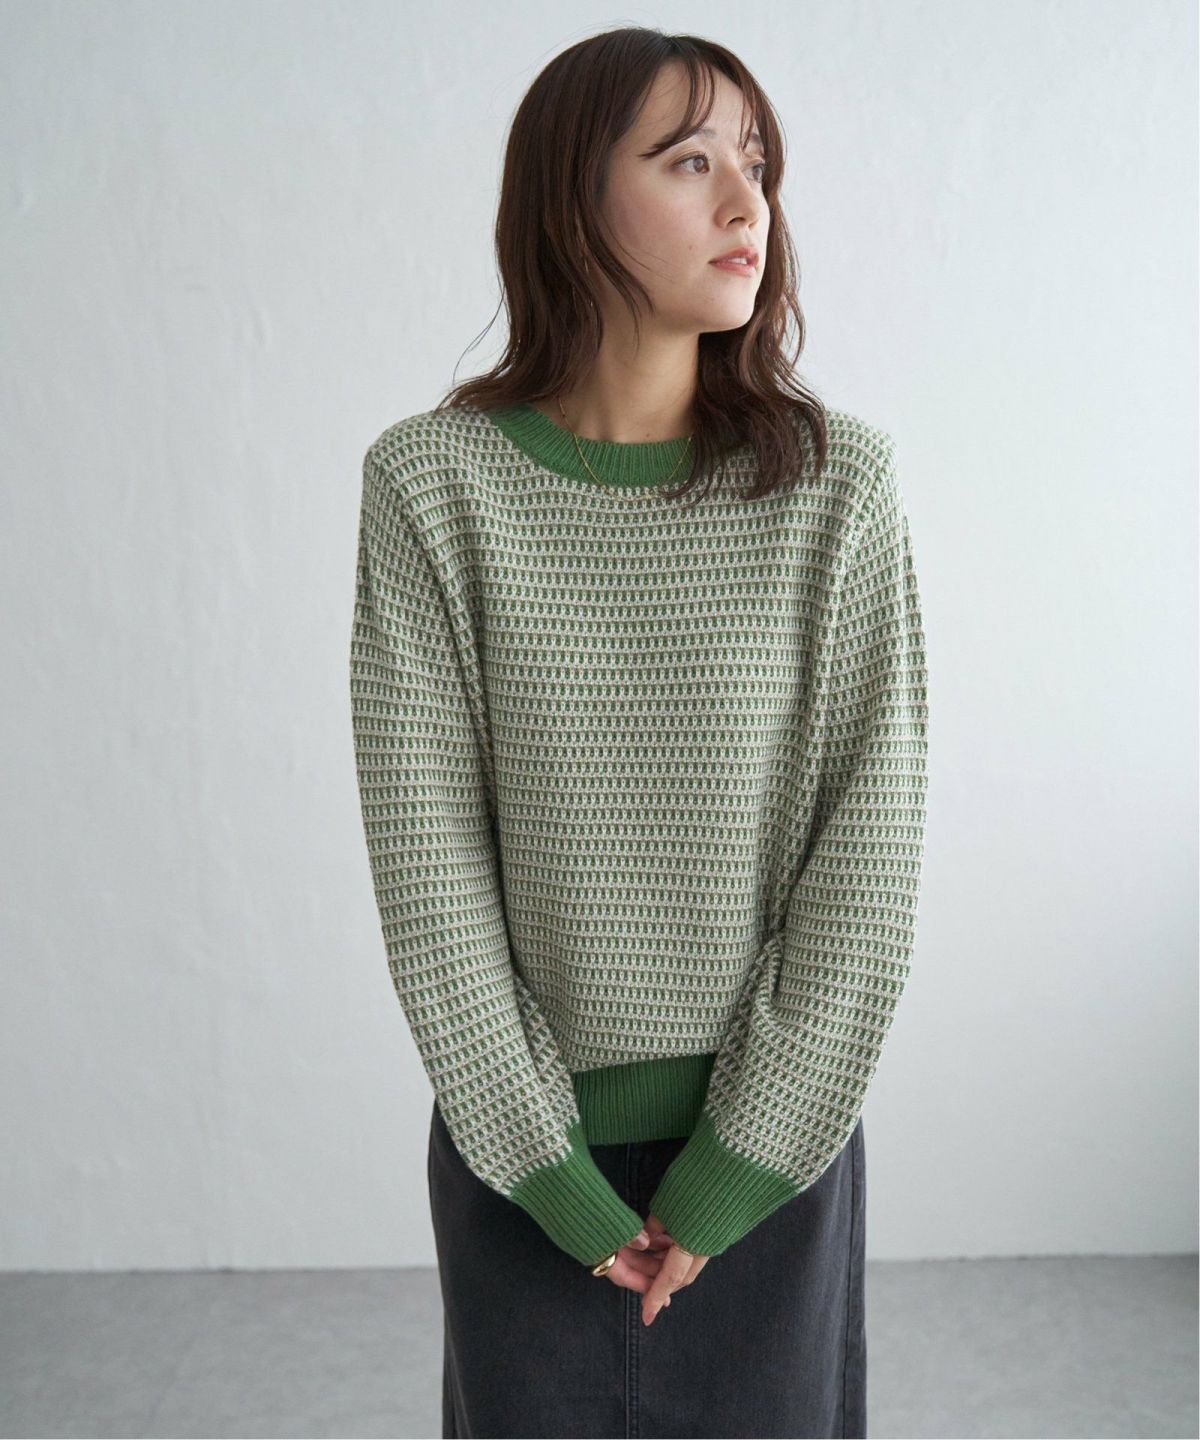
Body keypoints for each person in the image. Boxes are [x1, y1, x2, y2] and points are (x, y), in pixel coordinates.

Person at [349, 25, 929, 1440]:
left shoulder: (836, 487)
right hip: (519, 1163)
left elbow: (870, 850)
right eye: (688, 161)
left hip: (772, 1159)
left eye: (758, 165)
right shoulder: (433, 487)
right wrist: (542, 1165)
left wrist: (741, 1162)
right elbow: (428, 863)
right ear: (570, 199)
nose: (746, 203)